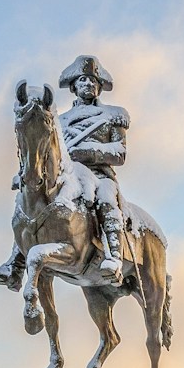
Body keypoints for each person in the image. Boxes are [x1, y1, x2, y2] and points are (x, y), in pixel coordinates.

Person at [57, 54, 130, 281]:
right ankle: (16, 263)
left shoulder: (113, 115)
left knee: (107, 200)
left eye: (93, 81)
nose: (88, 85)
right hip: (72, 177)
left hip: (100, 176)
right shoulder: (60, 121)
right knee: (35, 199)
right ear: (74, 86)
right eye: (83, 81)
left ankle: (114, 257)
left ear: (99, 87)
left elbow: (119, 152)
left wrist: (87, 152)